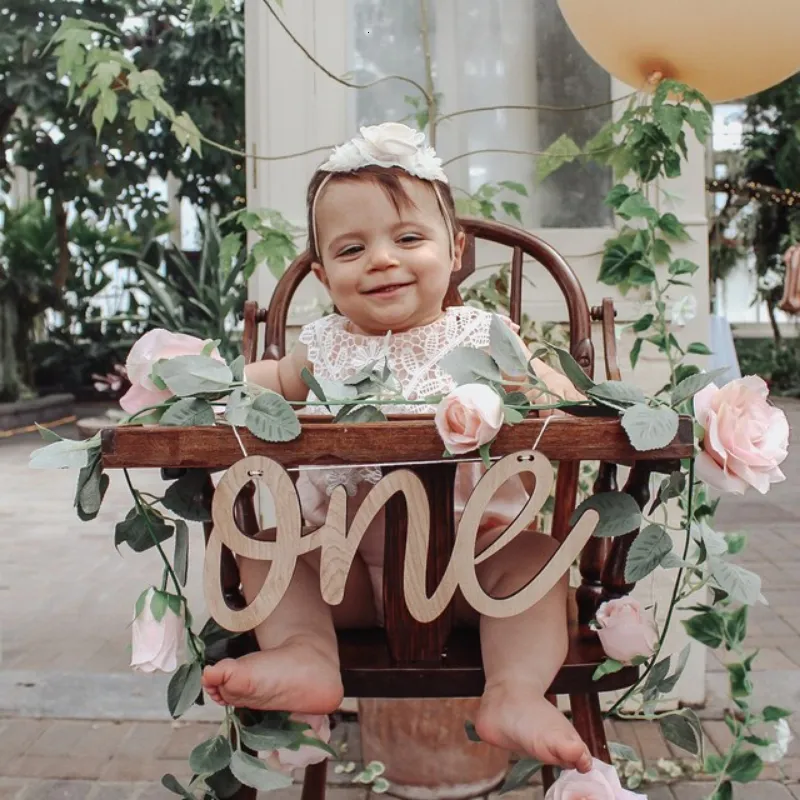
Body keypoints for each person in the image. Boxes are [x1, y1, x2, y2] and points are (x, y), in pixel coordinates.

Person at [201, 122, 592, 773]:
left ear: (456, 249)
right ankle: (307, 654)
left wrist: (549, 391)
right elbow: (260, 385)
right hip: (343, 569)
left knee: (535, 558)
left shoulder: (484, 334)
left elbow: (561, 396)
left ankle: (514, 691)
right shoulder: (322, 346)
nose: (382, 259)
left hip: (473, 568)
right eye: (352, 250)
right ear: (324, 276)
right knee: (259, 542)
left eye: (408, 238)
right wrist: (191, 387)